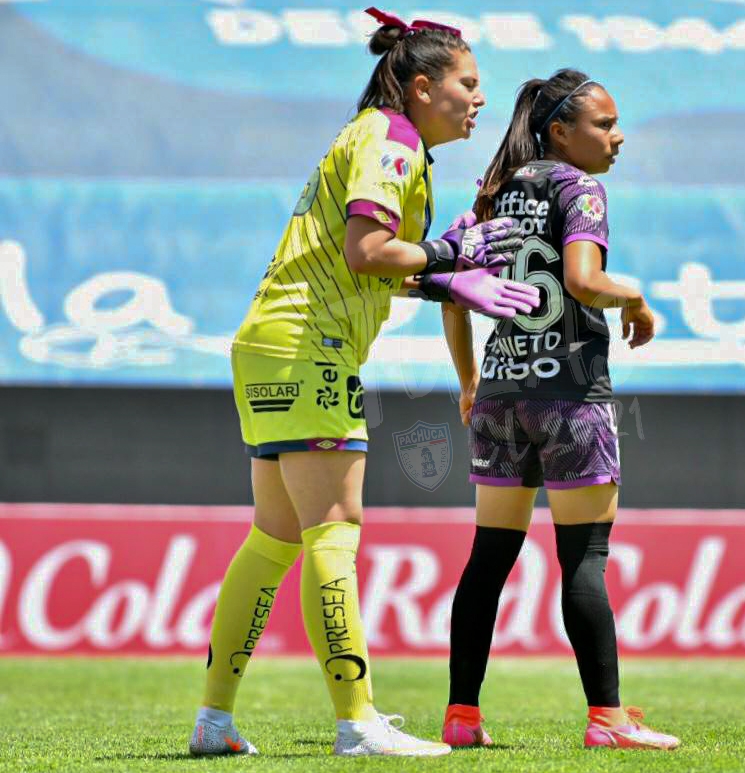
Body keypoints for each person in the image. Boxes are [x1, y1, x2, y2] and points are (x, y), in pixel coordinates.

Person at [188, 7, 540, 759]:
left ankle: (214, 722)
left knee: (274, 539)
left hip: (270, 345)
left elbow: (380, 265)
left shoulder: (381, 138)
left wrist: (447, 275)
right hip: (309, 349)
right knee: (336, 526)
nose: (480, 99)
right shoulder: (393, 139)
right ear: (422, 87)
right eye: (468, 83)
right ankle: (358, 722)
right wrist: (449, 255)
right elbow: (367, 250)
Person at [439, 68, 680, 751]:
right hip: (569, 394)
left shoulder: (494, 192)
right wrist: (635, 298)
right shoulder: (580, 189)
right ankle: (607, 719)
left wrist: (468, 381)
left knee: (488, 559)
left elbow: (453, 290)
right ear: (562, 132)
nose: (618, 136)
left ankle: (462, 715)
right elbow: (582, 280)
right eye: (605, 124)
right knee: (584, 558)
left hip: (501, 393)